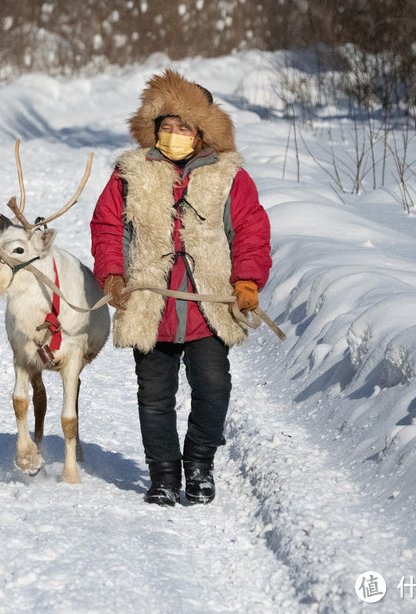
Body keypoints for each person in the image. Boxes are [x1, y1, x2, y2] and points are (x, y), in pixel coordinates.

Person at [90, 70, 272, 506]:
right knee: (155, 395)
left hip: (210, 302)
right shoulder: (130, 173)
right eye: (166, 126)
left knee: (214, 387)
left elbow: (251, 230)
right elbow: (107, 226)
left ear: (202, 133)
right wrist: (113, 275)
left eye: (183, 127)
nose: (173, 134)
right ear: (153, 129)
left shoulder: (230, 178)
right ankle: (165, 475)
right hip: (148, 300)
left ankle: (199, 465)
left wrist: (247, 279)